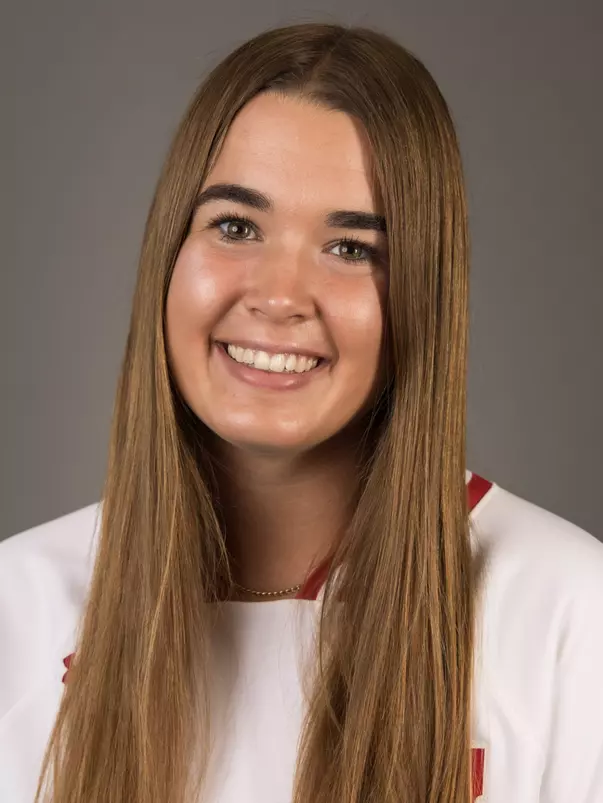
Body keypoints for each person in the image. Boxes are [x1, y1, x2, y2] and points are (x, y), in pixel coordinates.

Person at [0, 21, 602, 803]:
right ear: (167, 254)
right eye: (236, 226)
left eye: (351, 247)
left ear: (421, 292)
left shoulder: (567, 613)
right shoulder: (19, 604)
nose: (279, 295)